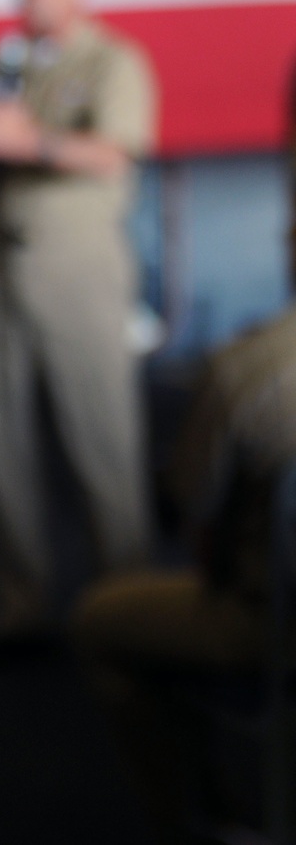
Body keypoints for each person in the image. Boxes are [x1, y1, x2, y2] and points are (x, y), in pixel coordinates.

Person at [0, 0, 158, 648]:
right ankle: (22, 606)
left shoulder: (112, 62)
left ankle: (129, 607)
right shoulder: (2, 63)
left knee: (101, 444)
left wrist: (28, 141)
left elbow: (116, 153)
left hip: (77, 273)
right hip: (5, 264)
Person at [74, 305, 296, 843]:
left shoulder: (250, 365)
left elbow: (194, 503)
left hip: (273, 625)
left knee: (97, 623)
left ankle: (194, 821)